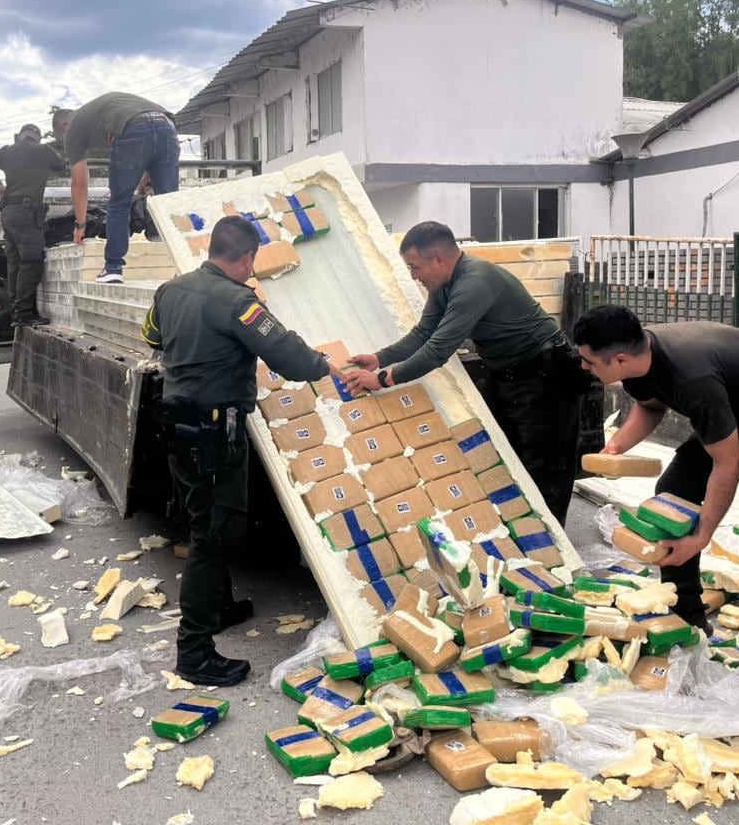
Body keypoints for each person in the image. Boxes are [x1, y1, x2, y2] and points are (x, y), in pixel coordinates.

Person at [573, 305, 739, 693]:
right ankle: (687, 619)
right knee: (672, 493)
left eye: (587, 360)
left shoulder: (692, 376)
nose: (583, 367)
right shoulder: (638, 362)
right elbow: (650, 405)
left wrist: (700, 536)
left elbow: (727, 466)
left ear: (619, 359)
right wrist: (615, 447)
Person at [142, 215, 331, 686]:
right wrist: (328, 363)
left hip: (176, 423)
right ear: (246, 257)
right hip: (212, 430)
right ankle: (194, 652)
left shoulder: (170, 290)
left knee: (200, 517)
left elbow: (152, 338)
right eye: (252, 262)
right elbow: (289, 357)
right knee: (214, 536)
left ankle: (221, 606)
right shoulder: (239, 302)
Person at [342, 221, 585, 525]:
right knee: (507, 459)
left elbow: (437, 351)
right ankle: (522, 539)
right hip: (510, 374)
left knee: (545, 468)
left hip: (546, 374)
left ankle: (553, 556)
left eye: (415, 267)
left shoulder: (474, 282)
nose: (414, 276)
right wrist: (378, 359)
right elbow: (423, 335)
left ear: (439, 260)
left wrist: (382, 380)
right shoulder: (444, 286)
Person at [53, 92, 179, 284]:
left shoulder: (73, 129)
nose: (67, 144)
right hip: (167, 126)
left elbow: (79, 184)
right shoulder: (101, 112)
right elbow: (152, 134)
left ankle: (113, 268)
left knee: (120, 202)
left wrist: (80, 225)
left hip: (132, 127)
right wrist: (149, 174)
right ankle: (182, 267)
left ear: (64, 126)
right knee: (168, 203)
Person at [0, 123, 66, 326]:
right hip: (26, 213)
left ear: (19, 136)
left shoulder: (7, 151)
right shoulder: (43, 150)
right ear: (38, 137)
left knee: (14, 262)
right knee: (31, 261)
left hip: (8, 213)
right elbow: (61, 166)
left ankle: (16, 311)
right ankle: (24, 313)